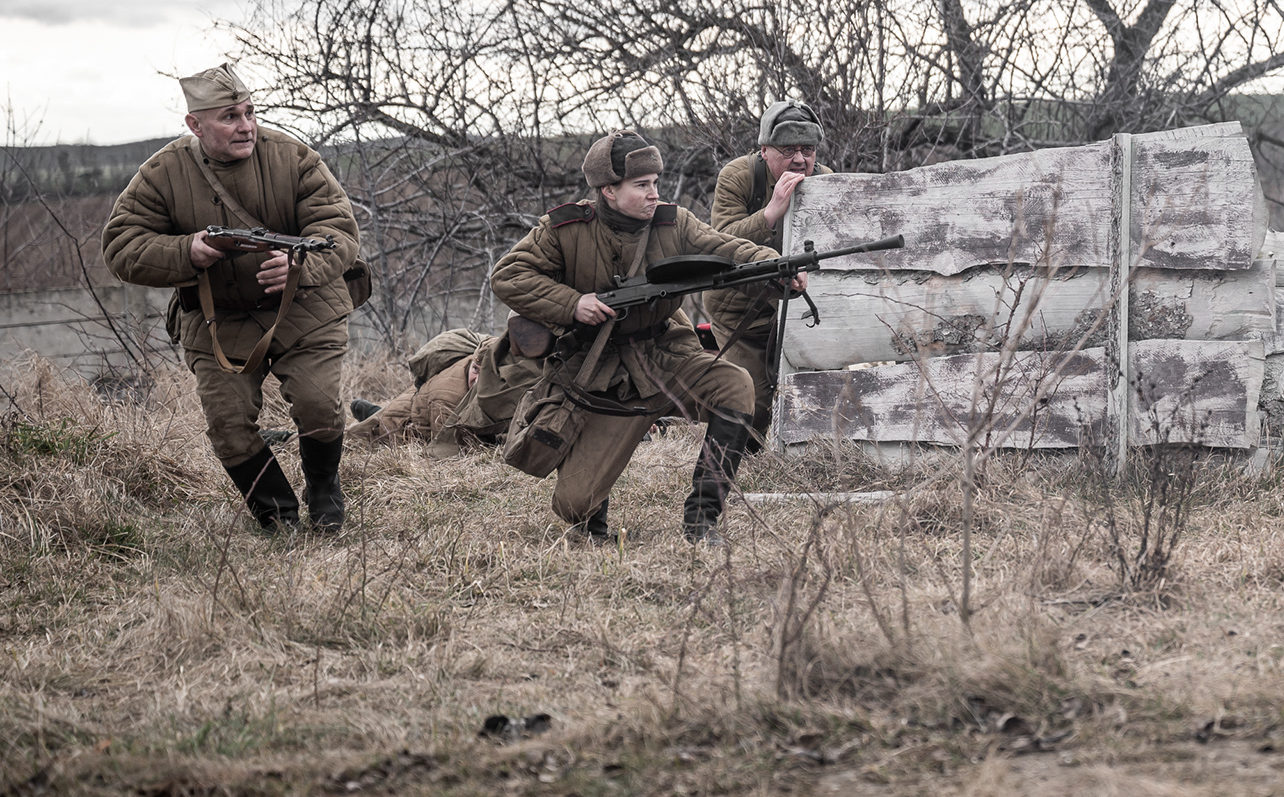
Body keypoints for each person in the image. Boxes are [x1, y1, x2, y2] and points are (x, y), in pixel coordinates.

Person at [490, 129, 799, 543]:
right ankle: (595, 522)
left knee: (736, 386)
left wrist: (774, 266)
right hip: (602, 373)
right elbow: (508, 275)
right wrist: (573, 303)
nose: (654, 194)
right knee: (574, 504)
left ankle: (702, 521)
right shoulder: (564, 229)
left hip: (667, 352)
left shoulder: (674, 223)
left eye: (655, 182)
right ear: (608, 190)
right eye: (641, 185)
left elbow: (727, 249)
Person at [102, 63, 363, 531]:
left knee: (318, 407)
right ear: (195, 125)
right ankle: (277, 516)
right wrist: (186, 251)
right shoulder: (162, 173)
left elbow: (339, 232)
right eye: (229, 117)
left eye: (249, 112)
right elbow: (121, 246)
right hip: (218, 316)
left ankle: (323, 487)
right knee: (228, 425)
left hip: (305, 308)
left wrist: (299, 264)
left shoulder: (293, 157)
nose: (246, 126)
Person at [704, 99, 834, 443]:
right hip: (741, 313)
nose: (800, 159)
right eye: (788, 150)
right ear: (764, 151)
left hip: (800, 311)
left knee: (814, 398)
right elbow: (719, 243)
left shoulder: (826, 181)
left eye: (808, 150)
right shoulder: (739, 177)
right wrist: (770, 212)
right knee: (754, 408)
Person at [345, 328, 542, 450]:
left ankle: (376, 412)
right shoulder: (448, 400)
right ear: (472, 363)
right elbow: (453, 446)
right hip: (402, 429)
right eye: (475, 370)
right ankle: (375, 418)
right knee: (366, 436)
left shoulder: (487, 359)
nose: (477, 379)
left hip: (416, 403)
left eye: (484, 374)